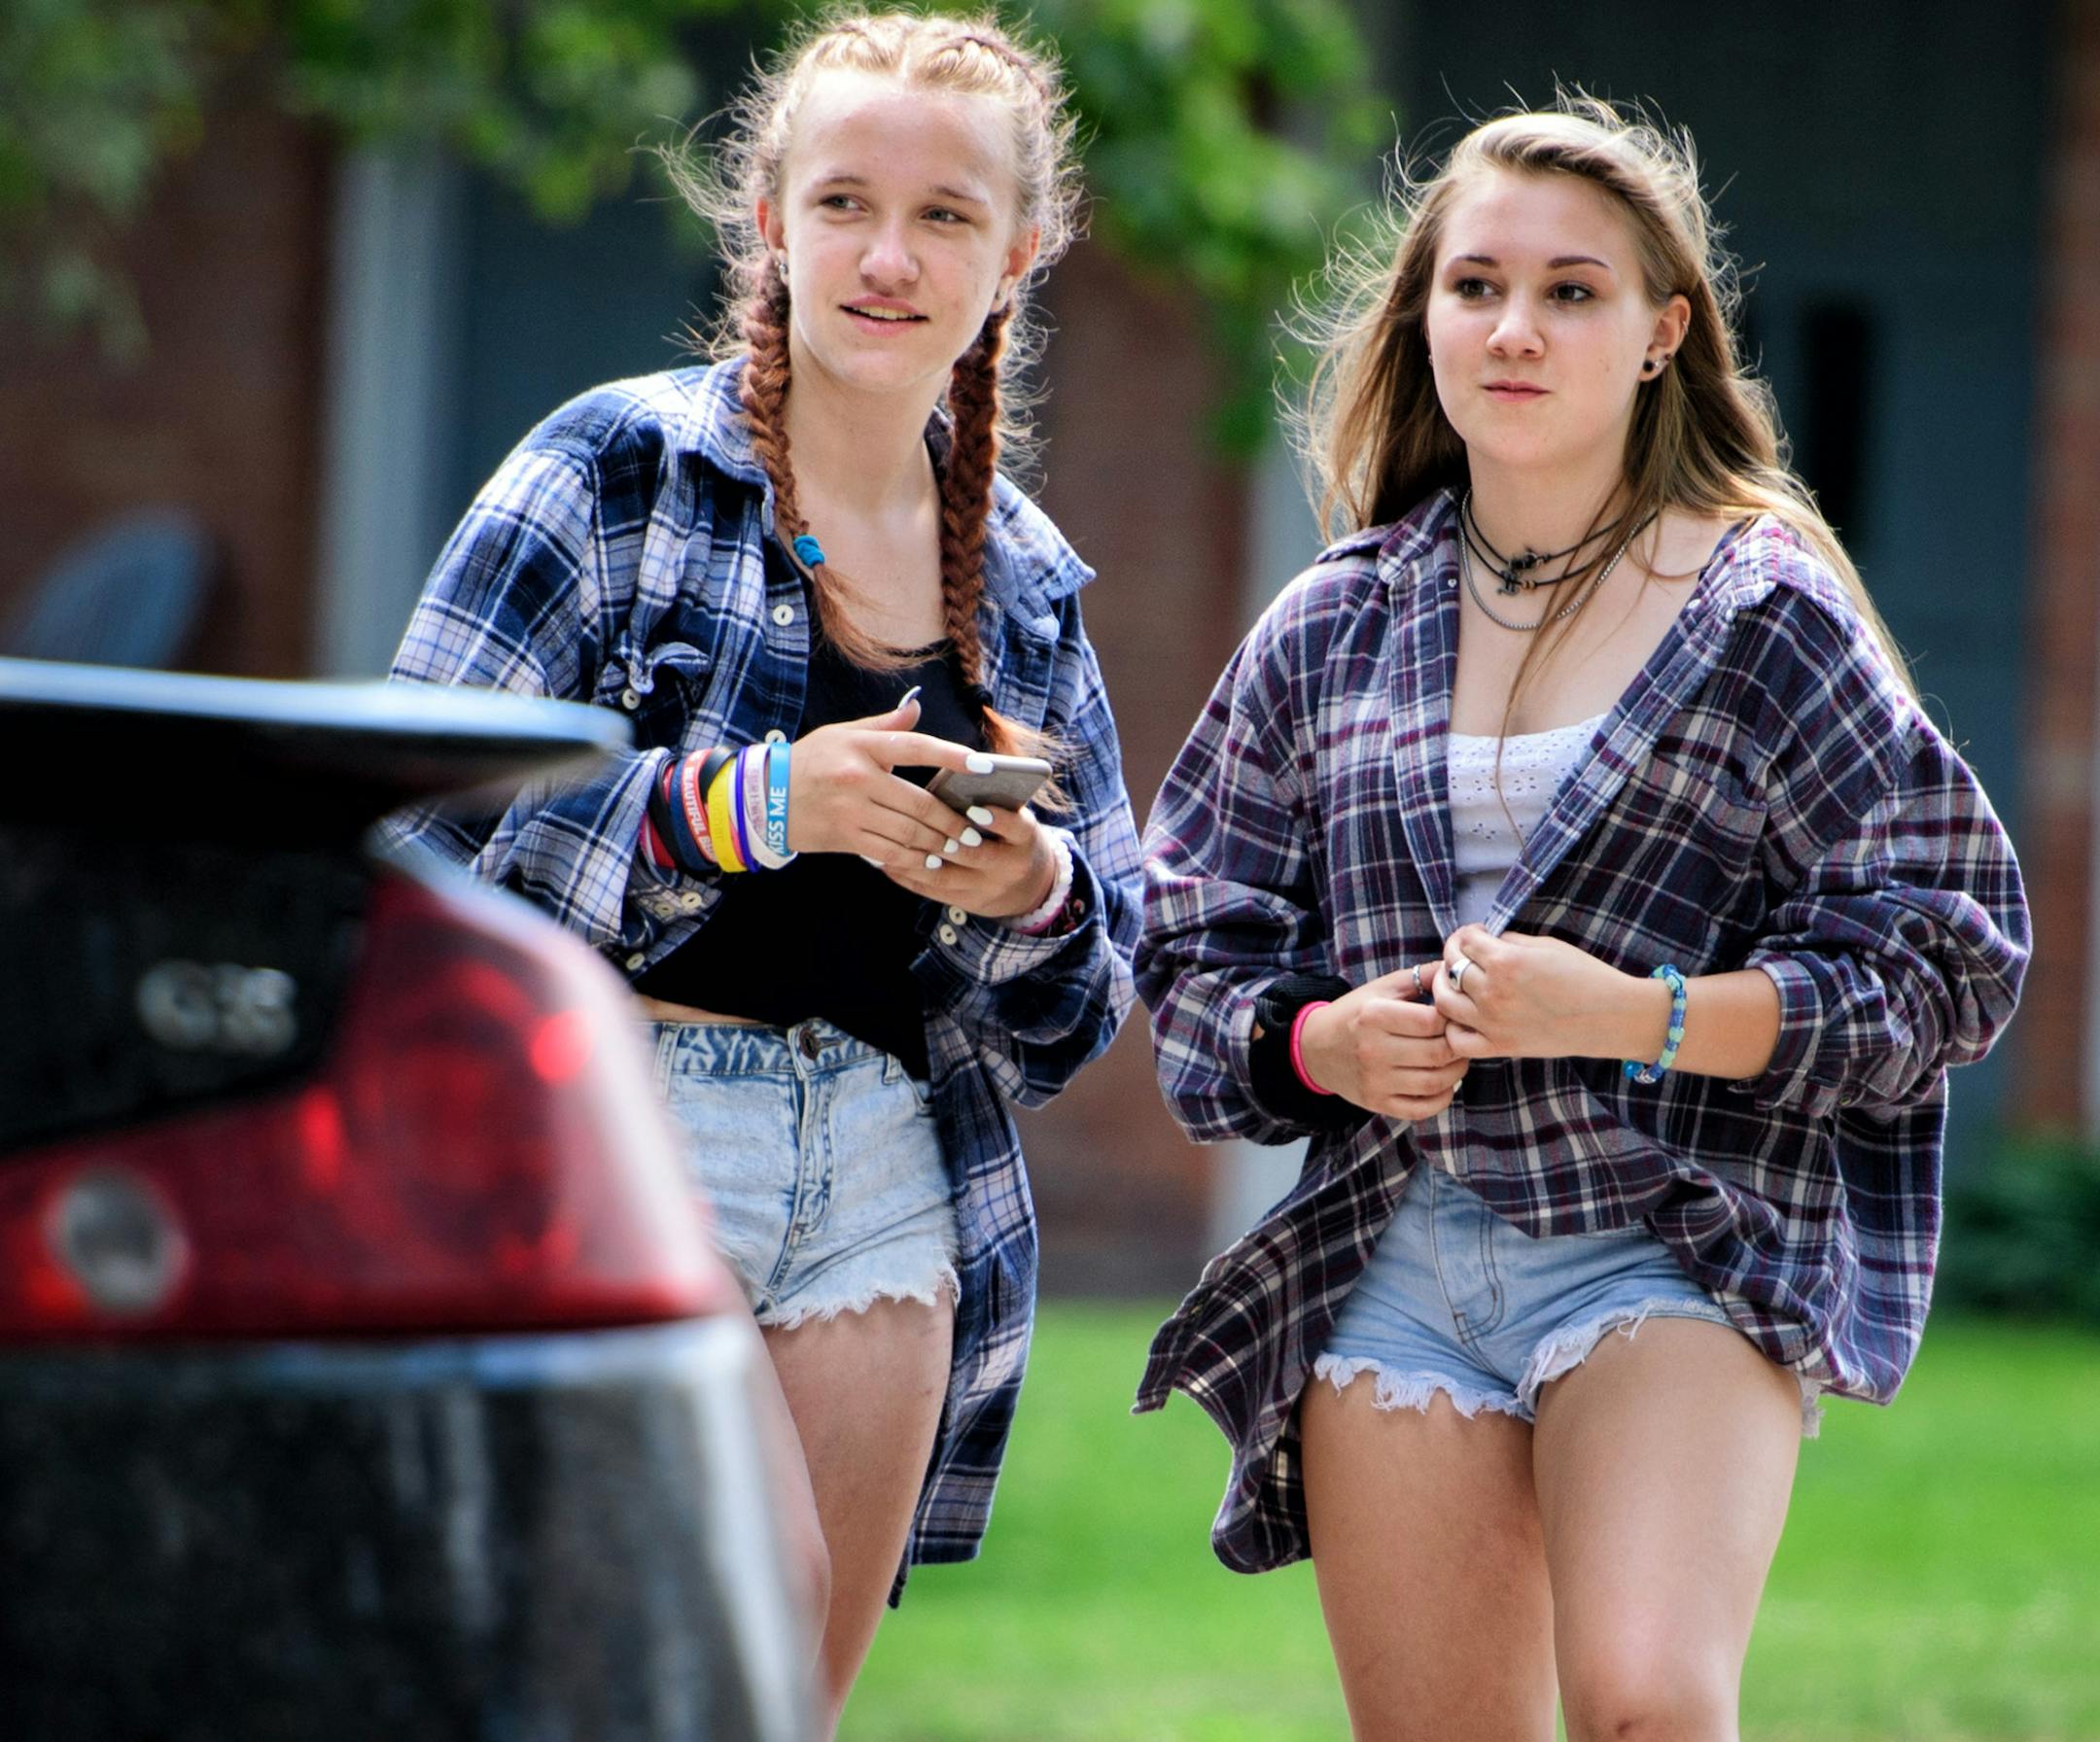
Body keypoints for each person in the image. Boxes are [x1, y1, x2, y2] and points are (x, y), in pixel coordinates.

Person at [1133, 97, 2029, 1742]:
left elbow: (1950, 950)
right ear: (1423, 318)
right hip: (1390, 1257)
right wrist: (1324, 1040)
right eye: (1475, 287)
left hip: (1672, 1233)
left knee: (1649, 1707)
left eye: (1572, 291)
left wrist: (1634, 1014)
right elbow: (1187, 936)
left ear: (1660, 333)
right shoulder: (1333, 625)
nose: (1516, 329)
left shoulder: (1765, 613)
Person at [383, 11, 1140, 1731]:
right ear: (768, 226)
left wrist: (1028, 893)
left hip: (884, 1163)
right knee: (730, 1619)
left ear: (1015, 256)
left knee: (774, 1704)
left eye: (947, 217)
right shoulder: (611, 471)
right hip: (622, 1125)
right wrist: (738, 811)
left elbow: (1089, 997)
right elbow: (407, 850)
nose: (889, 257)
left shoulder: (1019, 577)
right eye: (846, 203)